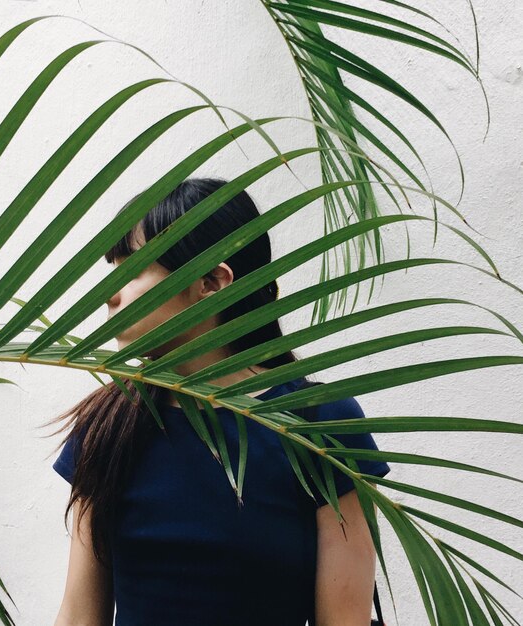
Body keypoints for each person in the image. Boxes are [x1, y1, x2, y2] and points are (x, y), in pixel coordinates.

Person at [50, 177, 391, 626]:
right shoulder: (106, 424)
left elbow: (345, 619)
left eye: (132, 270)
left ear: (211, 281)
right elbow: (78, 615)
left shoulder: (317, 421)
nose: (111, 293)